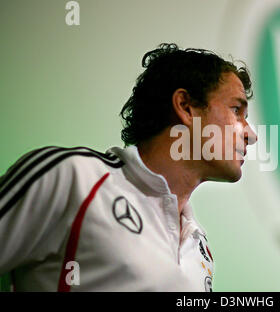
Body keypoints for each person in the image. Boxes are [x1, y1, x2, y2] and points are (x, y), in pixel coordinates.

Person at [0, 43, 257, 291]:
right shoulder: (72, 177)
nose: (251, 134)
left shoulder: (199, 246)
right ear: (186, 107)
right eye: (236, 110)